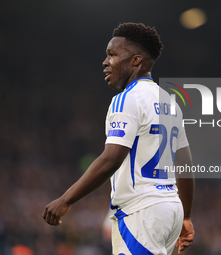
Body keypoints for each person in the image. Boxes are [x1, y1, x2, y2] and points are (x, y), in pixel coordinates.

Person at [42, 22, 195, 255]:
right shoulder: (170, 102)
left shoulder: (128, 99)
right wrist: (187, 216)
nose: (105, 62)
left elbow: (111, 159)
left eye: (112, 55)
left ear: (135, 61)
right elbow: (185, 164)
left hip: (141, 213)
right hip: (170, 209)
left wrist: (66, 200)